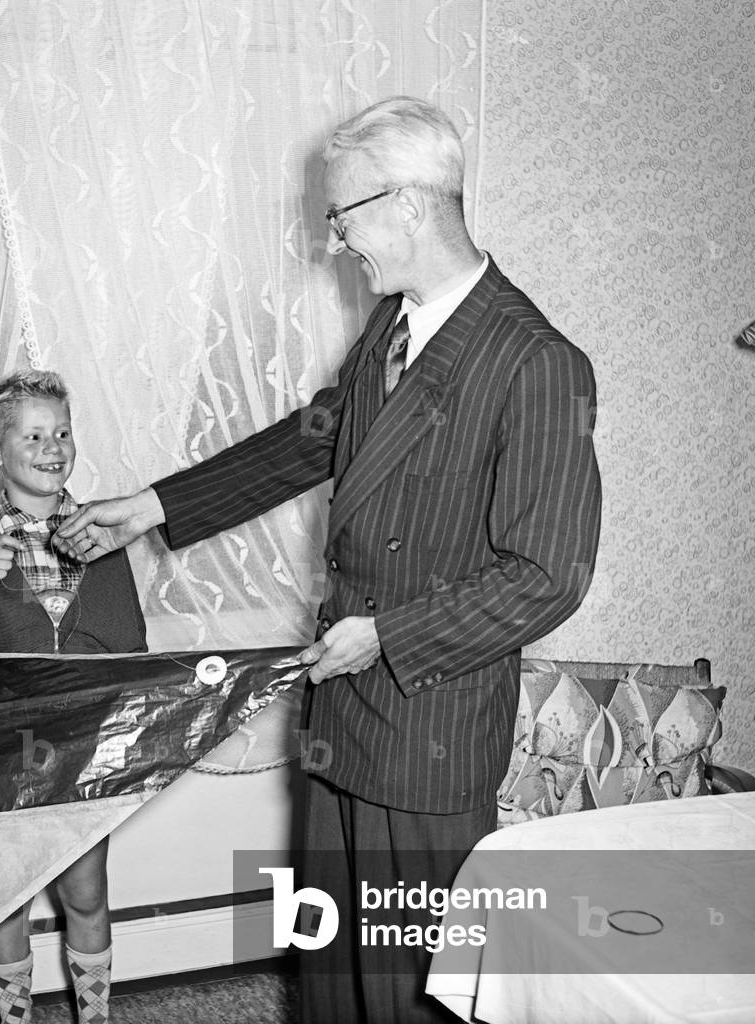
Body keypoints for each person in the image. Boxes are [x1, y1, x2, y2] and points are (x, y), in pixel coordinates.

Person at [55, 96, 602, 1023]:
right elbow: (311, 439)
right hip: (343, 715)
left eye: (344, 214)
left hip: (428, 725)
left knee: (413, 990)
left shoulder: (535, 361)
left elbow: (548, 575)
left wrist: (387, 636)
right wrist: (145, 511)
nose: (336, 238)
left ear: (412, 205)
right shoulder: (394, 329)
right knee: (329, 976)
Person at [0, 369, 146, 1024]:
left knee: (85, 892)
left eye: (63, 432)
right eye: (34, 435)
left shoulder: (99, 533)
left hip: (82, 750)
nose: (54, 447)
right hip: (0, 754)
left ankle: (96, 1016)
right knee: (4, 903)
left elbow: (128, 643)